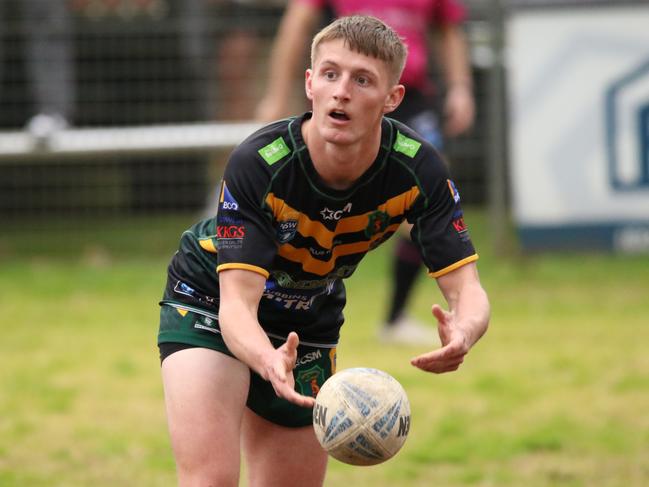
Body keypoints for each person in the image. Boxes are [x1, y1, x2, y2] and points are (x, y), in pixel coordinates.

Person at [158, 15, 489, 486]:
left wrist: (465, 331)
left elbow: (468, 289)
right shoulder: (259, 162)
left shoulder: (419, 169)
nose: (342, 91)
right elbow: (237, 305)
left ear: (392, 99)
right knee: (211, 480)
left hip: (307, 316)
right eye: (331, 75)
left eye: (362, 80)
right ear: (310, 84)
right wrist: (266, 357)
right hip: (209, 300)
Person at [256, 0, 476, 345]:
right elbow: (297, 24)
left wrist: (460, 87)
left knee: (426, 201)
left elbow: (448, 29)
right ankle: (277, 303)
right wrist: (276, 94)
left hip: (410, 100)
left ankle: (395, 317)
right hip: (349, 93)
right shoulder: (257, 159)